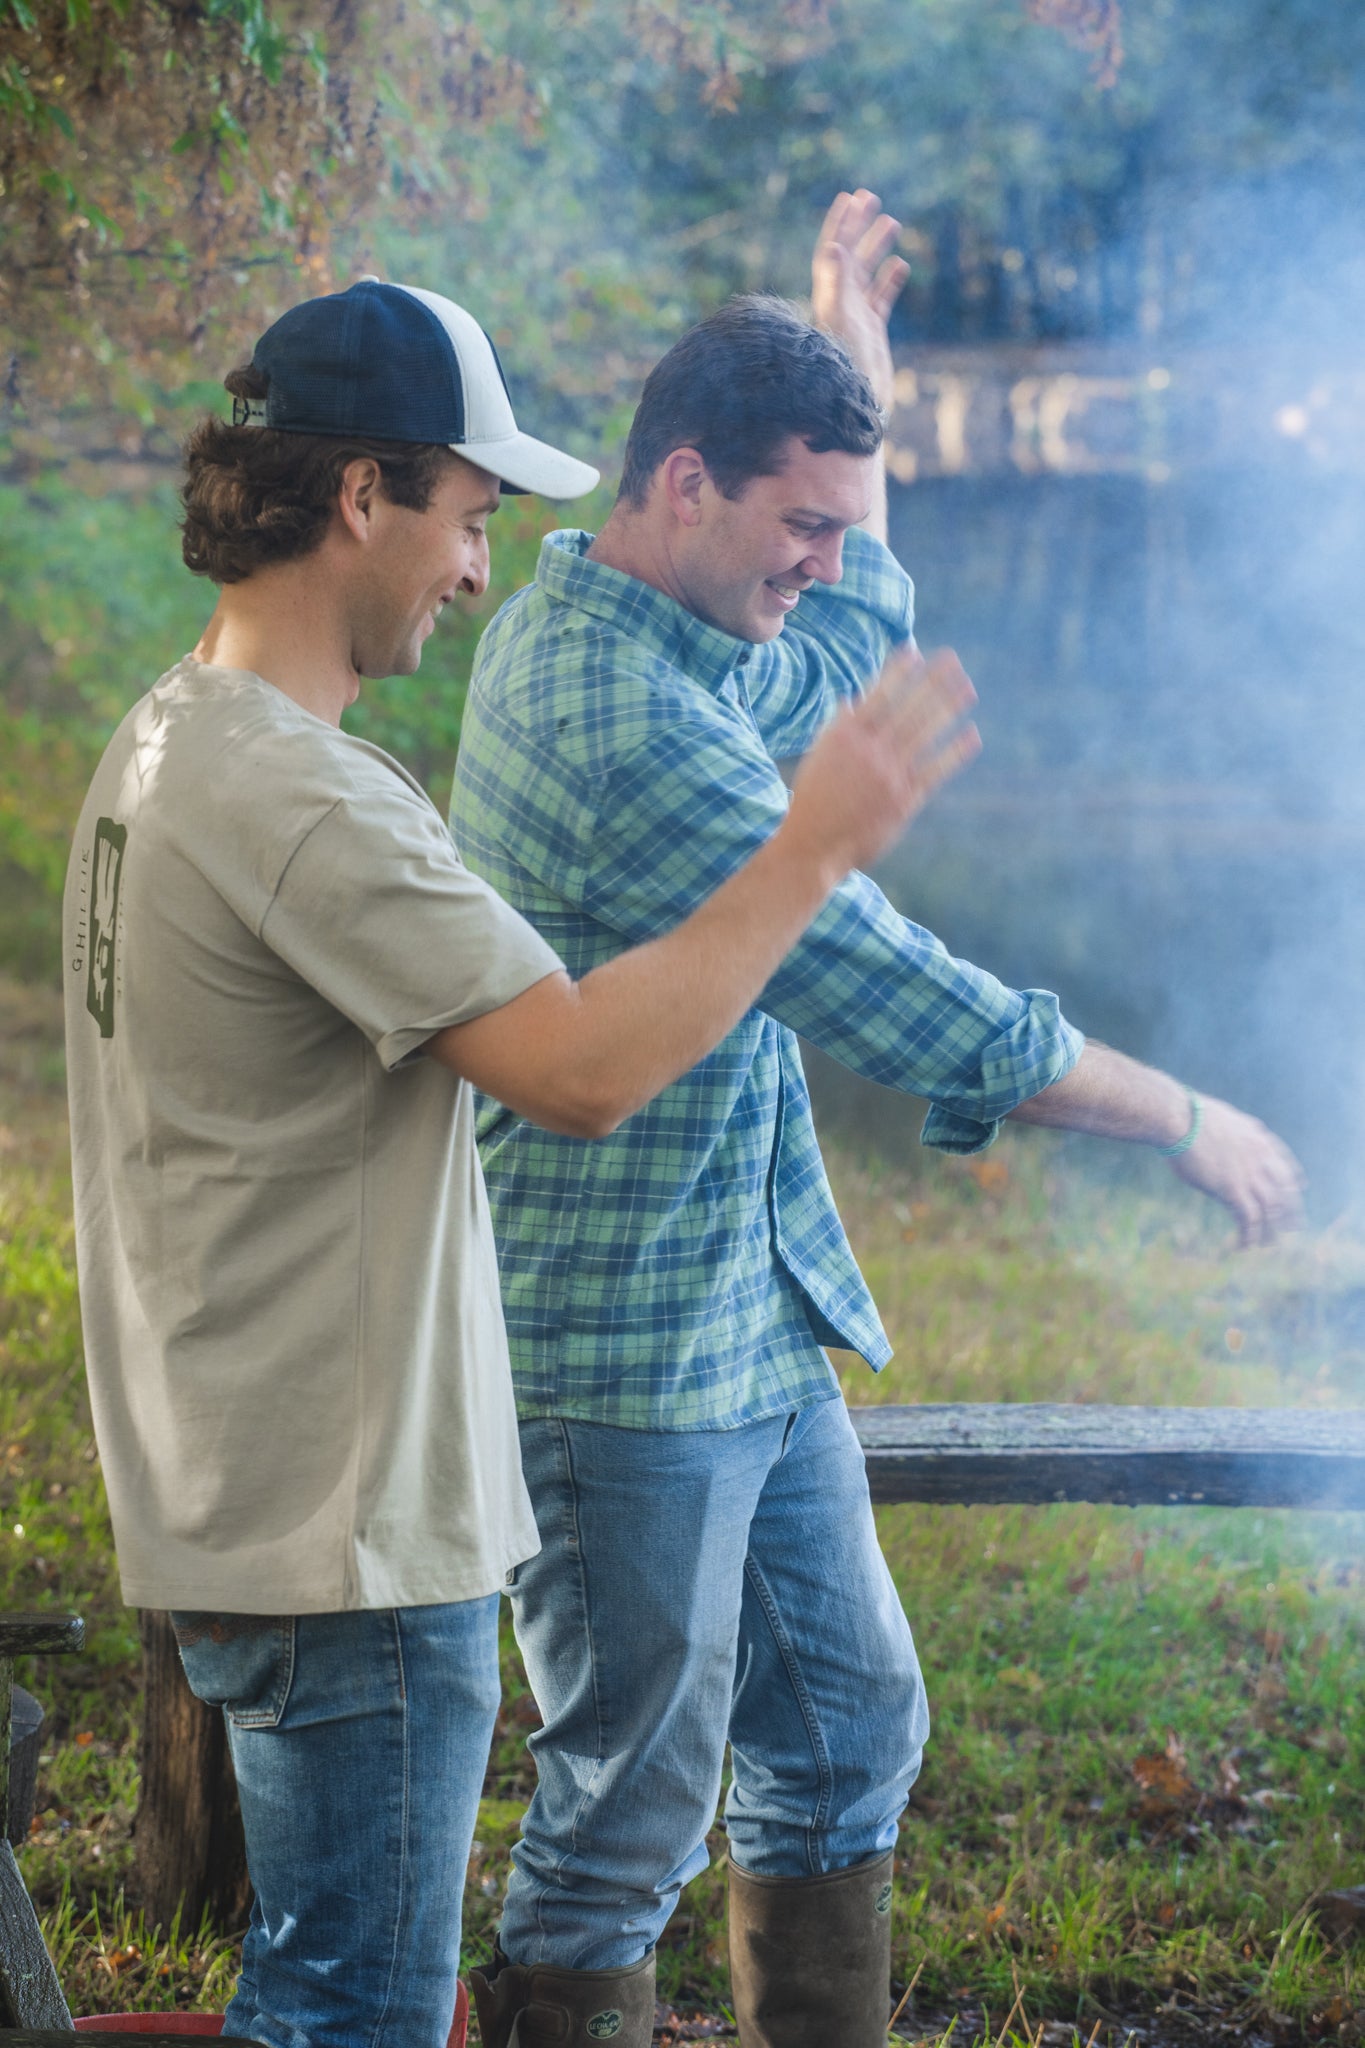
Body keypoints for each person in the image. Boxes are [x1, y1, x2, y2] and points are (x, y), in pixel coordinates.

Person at [61, 275, 984, 2048]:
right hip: (349, 1528)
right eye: (471, 518)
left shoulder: (164, 746)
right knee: (355, 2016)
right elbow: (577, 1070)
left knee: (329, 1996)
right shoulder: (299, 798)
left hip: (242, 1486)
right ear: (361, 498)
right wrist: (807, 852)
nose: (477, 571)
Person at [448, 192, 1306, 2048]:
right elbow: (894, 991)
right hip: (618, 1362)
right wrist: (1181, 1116)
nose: (829, 562)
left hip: (745, 1318)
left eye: (846, 519)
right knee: (623, 1822)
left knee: (848, 1731)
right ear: (683, 481)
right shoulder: (624, 724)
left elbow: (842, 656)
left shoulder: (675, 624)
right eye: (801, 523)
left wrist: (859, 342)